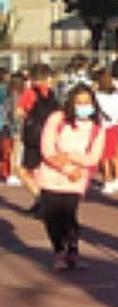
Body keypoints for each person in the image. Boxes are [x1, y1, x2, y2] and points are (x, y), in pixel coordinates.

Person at [37, 83, 105, 271]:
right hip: (51, 176)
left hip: (76, 179)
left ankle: (72, 251)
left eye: (87, 102)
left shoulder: (97, 128)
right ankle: (58, 251)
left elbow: (93, 157)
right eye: (79, 102)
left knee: (68, 215)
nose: (83, 106)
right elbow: (47, 149)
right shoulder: (57, 119)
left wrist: (70, 157)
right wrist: (65, 167)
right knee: (51, 216)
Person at [17, 63, 58, 212]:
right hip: (49, 135)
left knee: (23, 170)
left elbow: (19, 112)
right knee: (41, 169)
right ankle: (41, 200)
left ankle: (40, 197)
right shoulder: (52, 93)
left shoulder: (30, 93)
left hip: (33, 136)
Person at [93, 71, 118, 194]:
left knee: (104, 157)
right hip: (115, 127)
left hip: (103, 128)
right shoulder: (116, 96)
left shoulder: (96, 96)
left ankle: (108, 181)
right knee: (115, 155)